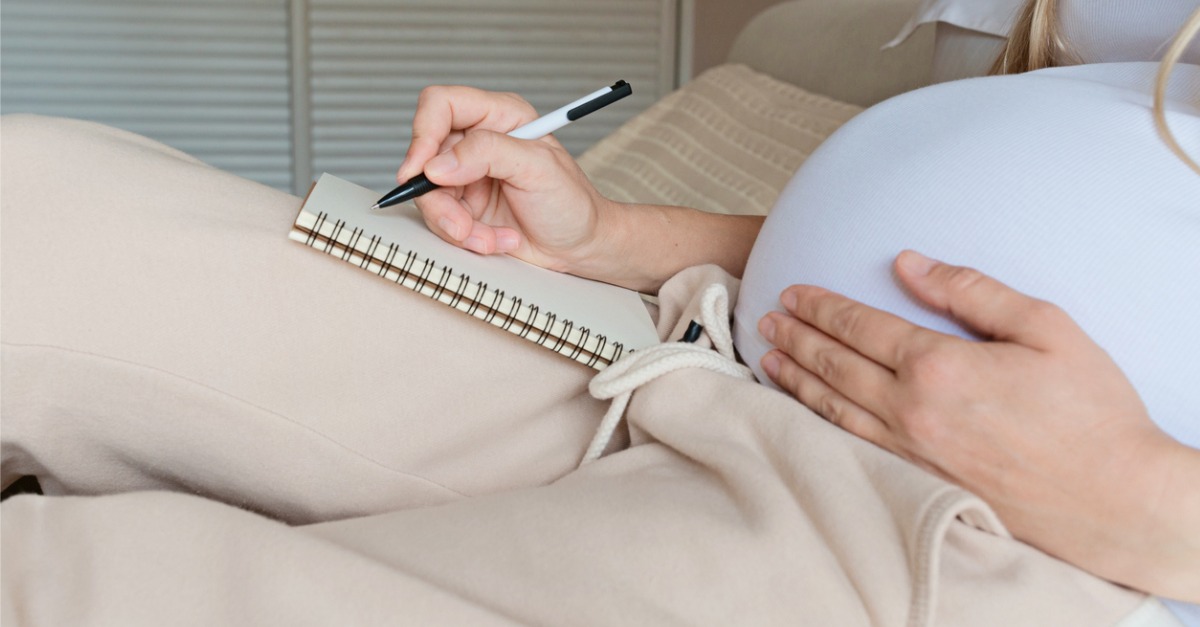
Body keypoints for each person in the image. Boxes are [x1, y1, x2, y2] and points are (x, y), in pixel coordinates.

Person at [1, 1, 1196, 625]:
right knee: (28, 206)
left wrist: (1138, 494)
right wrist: (605, 235)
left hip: (988, 547)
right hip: (712, 349)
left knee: (69, 592)